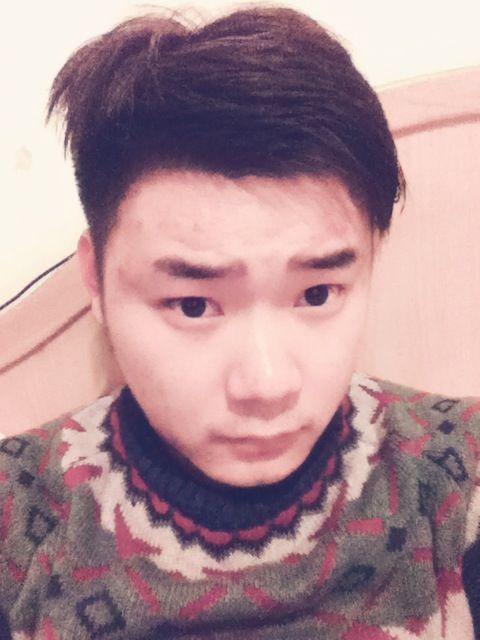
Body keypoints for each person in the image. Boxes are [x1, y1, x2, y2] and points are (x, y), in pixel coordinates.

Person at [0, 6, 479, 639]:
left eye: (316, 294)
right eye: (194, 305)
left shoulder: (459, 474)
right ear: (96, 280)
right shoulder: (16, 510)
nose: (267, 384)